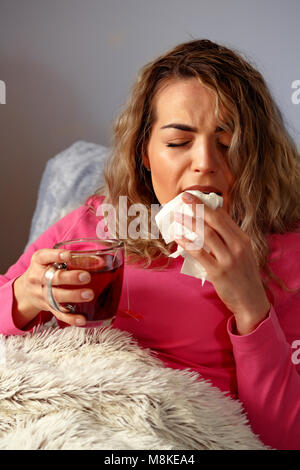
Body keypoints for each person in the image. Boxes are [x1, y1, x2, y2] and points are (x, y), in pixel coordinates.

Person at [1, 39, 300, 450]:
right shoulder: (98, 222)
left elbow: (285, 437)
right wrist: (23, 296)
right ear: (144, 151)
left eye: (228, 143)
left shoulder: (290, 257)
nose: (205, 163)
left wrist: (251, 305)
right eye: (178, 142)